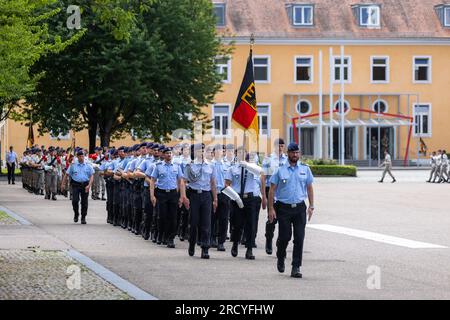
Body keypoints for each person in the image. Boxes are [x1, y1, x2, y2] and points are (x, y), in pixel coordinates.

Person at [268, 142, 315, 278]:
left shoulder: (305, 169)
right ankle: (281, 256)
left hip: (300, 208)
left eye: (297, 153)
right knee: (285, 237)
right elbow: (272, 190)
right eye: (293, 153)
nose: (295, 155)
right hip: (283, 208)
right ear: (288, 153)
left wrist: (311, 206)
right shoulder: (280, 170)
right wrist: (271, 208)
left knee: (299, 238)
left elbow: (309, 187)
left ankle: (296, 267)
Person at [225, 146, 266, 260]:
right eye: (239, 153)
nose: (241, 155)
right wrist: (236, 198)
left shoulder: (253, 168)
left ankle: (249, 249)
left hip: (250, 199)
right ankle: (235, 243)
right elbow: (226, 185)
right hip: (237, 198)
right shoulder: (232, 169)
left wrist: (247, 165)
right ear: (236, 155)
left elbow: (261, 173)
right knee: (237, 224)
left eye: (244, 153)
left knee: (251, 224)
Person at [150, 147, 186, 249]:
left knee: (173, 217)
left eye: (170, 153)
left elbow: (180, 182)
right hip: (161, 194)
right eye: (167, 153)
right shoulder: (158, 166)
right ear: (163, 155)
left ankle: (170, 238)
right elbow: (152, 180)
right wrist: (152, 195)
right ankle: (161, 235)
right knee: (162, 217)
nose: (169, 155)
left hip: (173, 194)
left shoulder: (176, 166)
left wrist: (181, 196)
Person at [262, 138, 287, 255]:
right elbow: (263, 178)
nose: (280, 148)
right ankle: (268, 239)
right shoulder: (268, 160)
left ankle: (279, 242)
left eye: (282, 146)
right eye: (278, 146)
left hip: (283, 192)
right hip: (270, 190)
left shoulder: (287, 160)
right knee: (272, 219)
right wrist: (264, 196)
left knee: (283, 220)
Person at [62, 150, 95, 224]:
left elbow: (92, 175)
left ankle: (83, 217)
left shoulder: (88, 165)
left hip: (85, 185)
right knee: (75, 200)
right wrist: (63, 184)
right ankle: (76, 214)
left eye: (82, 156)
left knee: (84, 202)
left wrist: (89, 185)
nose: (81, 158)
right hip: (75, 184)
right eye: (80, 156)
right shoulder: (73, 165)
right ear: (77, 157)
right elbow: (67, 174)